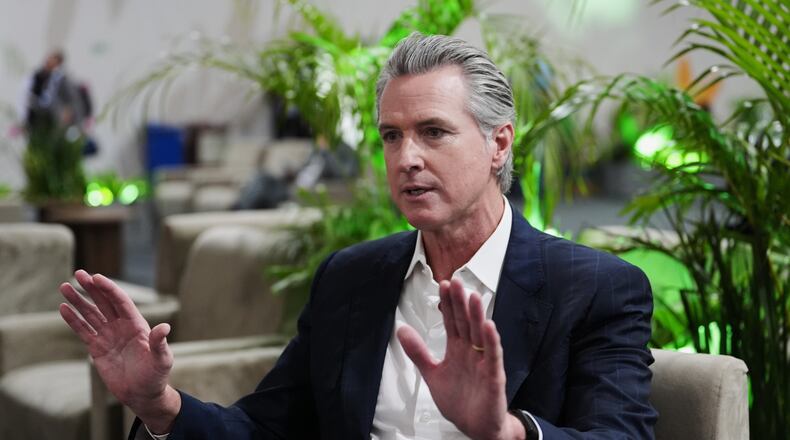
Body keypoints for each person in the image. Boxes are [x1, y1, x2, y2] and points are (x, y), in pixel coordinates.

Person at [59, 33, 656, 439]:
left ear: (499, 143)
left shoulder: (598, 288)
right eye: (392, 137)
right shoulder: (351, 277)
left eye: (432, 131)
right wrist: (158, 403)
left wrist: (503, 431)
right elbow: (268, 428)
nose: (407, 158)